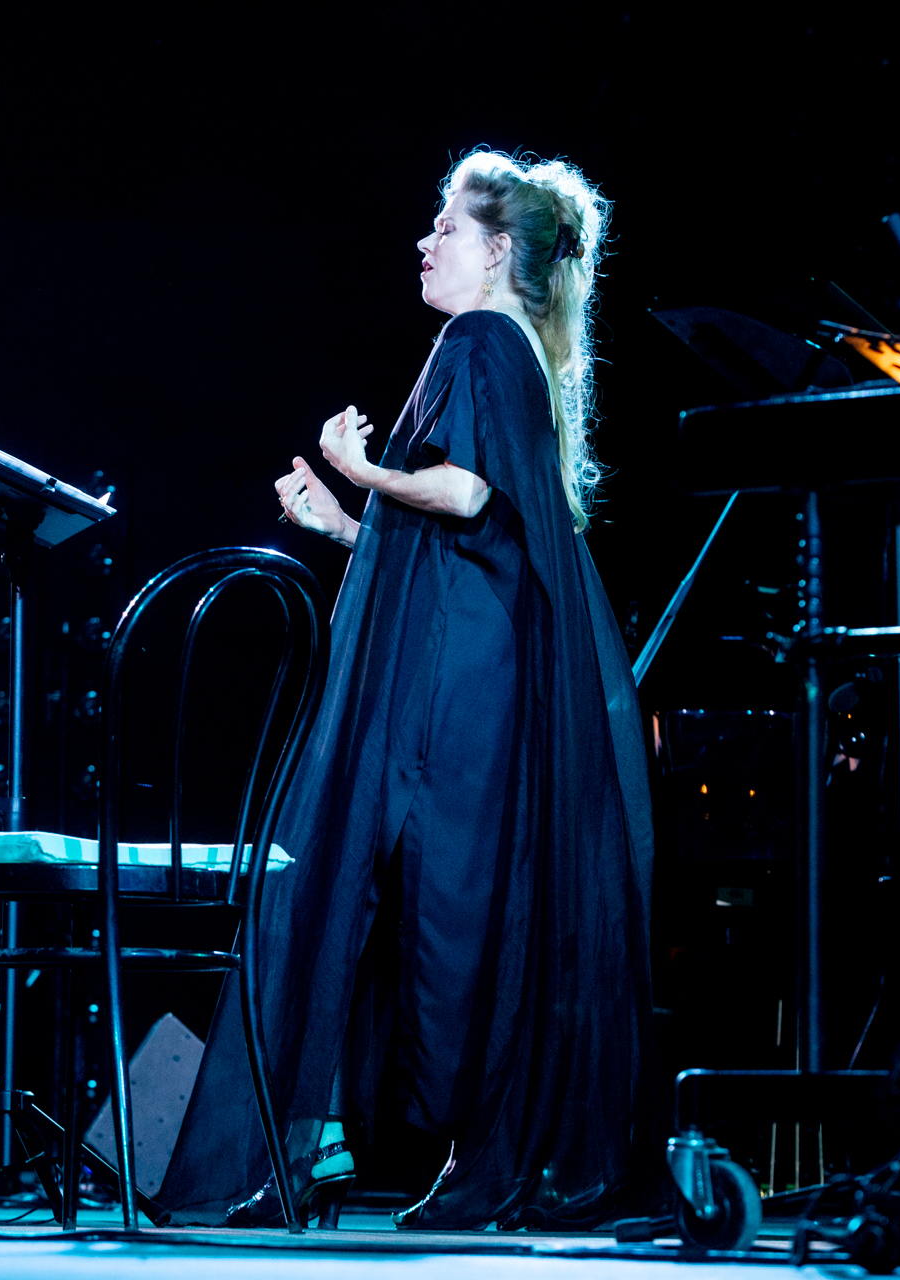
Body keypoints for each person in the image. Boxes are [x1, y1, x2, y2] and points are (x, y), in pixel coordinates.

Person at [156, 150, 655, 1230]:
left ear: (500, 252)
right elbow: (469, 543)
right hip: (470, 673)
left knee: (406, 900)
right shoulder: (517, 351)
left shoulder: (477, 338)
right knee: (423, 903)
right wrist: (346, 524)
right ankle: (345, 1147)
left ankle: (327, 1149)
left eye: (446, 228)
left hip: (452, 697)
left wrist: (361, 469)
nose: (425, 244)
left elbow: (464, 491)